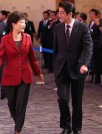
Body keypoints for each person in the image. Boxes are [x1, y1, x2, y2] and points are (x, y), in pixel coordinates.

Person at [0, 11, 44, 134]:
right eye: (22, 22)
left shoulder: (28, 38)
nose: (24, 25)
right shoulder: (5, 39)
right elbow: (0, 56)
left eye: (25, 22)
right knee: (11, 104)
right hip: (9, 76)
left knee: (21, 104)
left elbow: (32, 58)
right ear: (14, 24)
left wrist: (38, 73)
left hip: (25, 76)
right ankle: (17, 124)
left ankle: (17, 130)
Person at [53, 2, 93, 134]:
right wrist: (55, 66)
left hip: (77, 69)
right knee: (62, 99)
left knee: (77, 102)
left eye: (62, 12)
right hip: (61, 69)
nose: (59, 15)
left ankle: (76, 128)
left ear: (70, 14)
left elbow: (88, 47)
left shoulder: (82, 27)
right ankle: (66, 126)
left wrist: (85, 64)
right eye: (59, 12)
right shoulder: (58, 28)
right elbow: (56, 49)